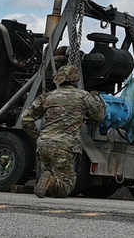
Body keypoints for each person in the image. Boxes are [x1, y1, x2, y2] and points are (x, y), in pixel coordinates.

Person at [21, 64, 106, 198]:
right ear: (76, 80)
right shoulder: (83, 96)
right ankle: (50, 180)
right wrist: (98, 100)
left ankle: (48, 179)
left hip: (44, 144)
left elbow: (26, 118)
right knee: (65, 187)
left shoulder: (47, 97)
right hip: (64, 146)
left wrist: (37, 135)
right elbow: (99, 116)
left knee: (48, 181)